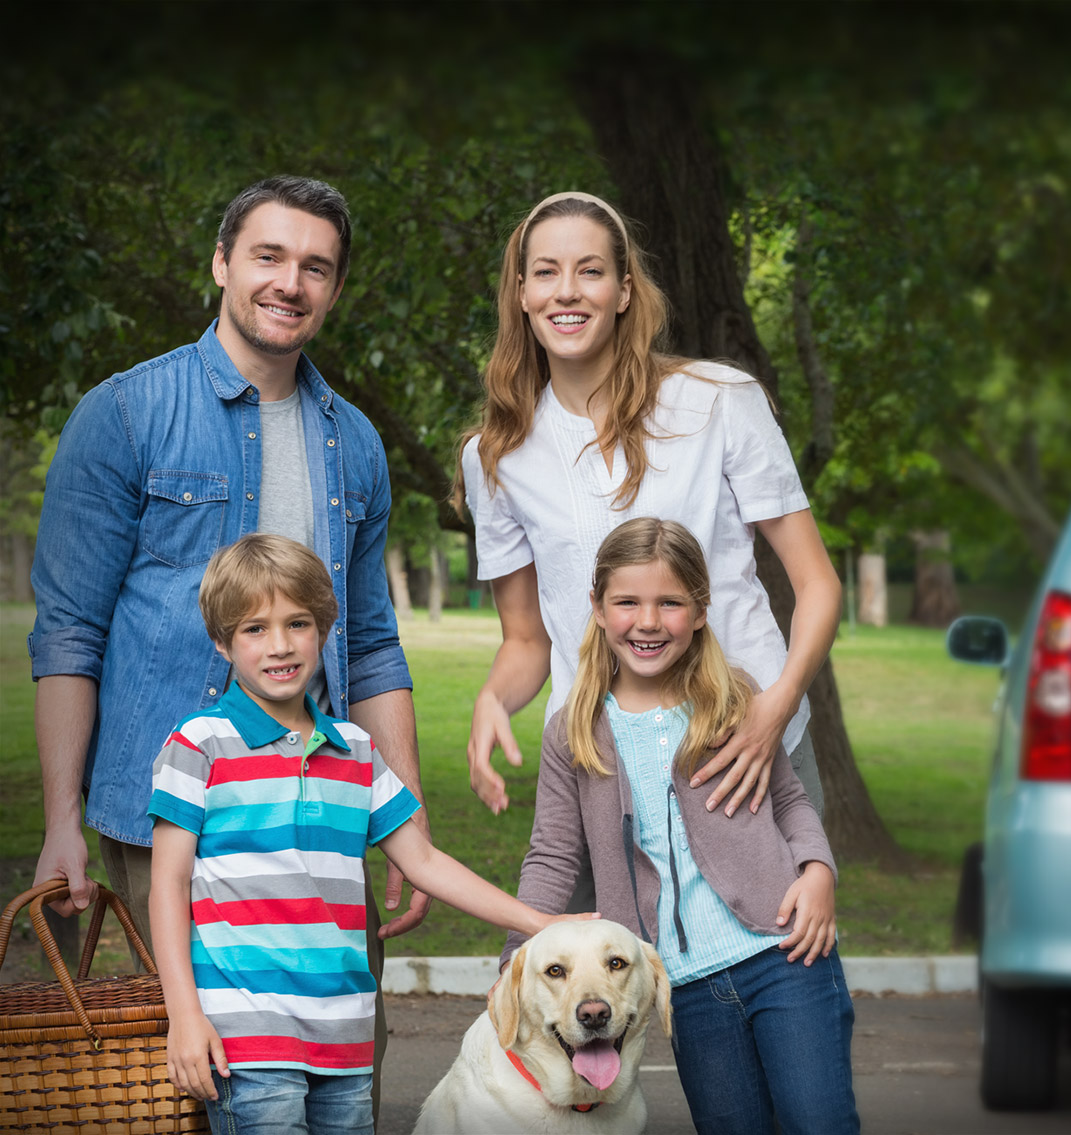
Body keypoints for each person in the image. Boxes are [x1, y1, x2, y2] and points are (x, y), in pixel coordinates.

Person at [29, 175, 430, 1109]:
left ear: (333, 288)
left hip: (321, 814)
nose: (291, 281)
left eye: (316, 266)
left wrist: (403, 815)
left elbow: (370, 641)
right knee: (190, 1084)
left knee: (339, 1082)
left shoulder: (357, 443)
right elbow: (70, 634)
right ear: (221, 261)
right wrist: (60, 819)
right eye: (269, 255)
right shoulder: (124, 413)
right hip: (167, 815)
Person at [151, 535, 592, 1134]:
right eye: (255, 629)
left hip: (346, 1038)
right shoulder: (198, 744)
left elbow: (426, 861)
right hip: (245, 1037)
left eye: (297, 623)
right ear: (221, 641)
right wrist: (183, 1014)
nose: (279, 645)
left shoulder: (355, 750)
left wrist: (544, 924)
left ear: (325, 628)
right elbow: (168, 888)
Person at [457, 191, 841, 824]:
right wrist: (492, 699)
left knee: (783, 924)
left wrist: (778, 705)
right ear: (521, 293)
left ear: (625, 290)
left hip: (742, 745)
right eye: (547, 272)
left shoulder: (720, 400)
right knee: (593, 928)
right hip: (601, 766)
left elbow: (817, 583)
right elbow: (526, 639)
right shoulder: (495, 455)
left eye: (591, 271)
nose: (568, 291)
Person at [501, 518, 857, 1134]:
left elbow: (790, 802)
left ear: (699, 610)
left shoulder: (733, 701)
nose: (648, 621)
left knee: (817, 1122)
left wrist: (818, 871)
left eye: (670, 602)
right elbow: (553, 857)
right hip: (683, 991)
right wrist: (514, 961)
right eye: (627, 602)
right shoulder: (572, 732)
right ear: (597, 607)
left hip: (785, 954)